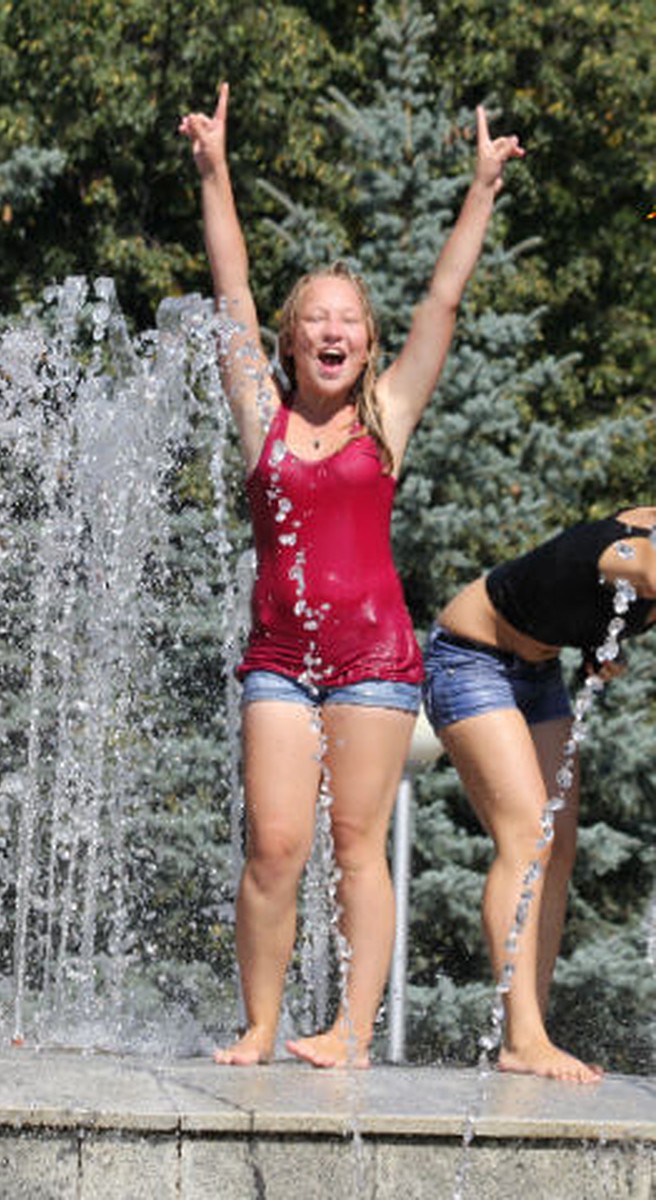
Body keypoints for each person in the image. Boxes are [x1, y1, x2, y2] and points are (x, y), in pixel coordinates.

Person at [179, 85, 523, 1067]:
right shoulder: (264, 416)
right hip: (279, 658)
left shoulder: (389, 416)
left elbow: (444, 300)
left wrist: (481, 190)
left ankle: (348, 1034)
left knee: (357, 850)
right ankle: (257, 1027)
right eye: (316, 321)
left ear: (369, 344)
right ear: (291, 341)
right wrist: (214, 174)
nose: (334, 332)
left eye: (352, 323)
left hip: (375, 660)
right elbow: (231, 291)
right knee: (277, 845)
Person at [423, 508, 656, 1083]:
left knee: (558, 849)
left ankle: (529, 1034)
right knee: (527, 838)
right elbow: (635, 571)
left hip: (539, 674)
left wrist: (605, 653)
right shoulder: (630, 547)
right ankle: (524, 1039)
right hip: (468, 659)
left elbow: (575, 602)